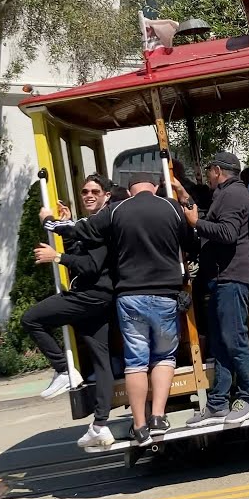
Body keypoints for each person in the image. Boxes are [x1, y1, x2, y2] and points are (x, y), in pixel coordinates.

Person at [45, 172, 195, 448]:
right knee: (163, 356)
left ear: (129, 190)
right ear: (156, 187)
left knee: (136, 361)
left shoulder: (116, 211)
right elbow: (190, 244)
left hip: (130, 295)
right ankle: (159, 416)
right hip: (165, 294)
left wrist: (50, 221)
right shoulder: (170, 207)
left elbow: (79, 229)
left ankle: (139, 424)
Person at [25, 175, 117, 450]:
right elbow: (81, 249)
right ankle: (100, 425)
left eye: (95, 191)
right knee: (101, 361)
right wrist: (67, 227)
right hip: (97, 298)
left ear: (107, 196)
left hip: (89, 296)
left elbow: (89, 267)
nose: (89, 195)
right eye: (85, 191)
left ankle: (65, 370)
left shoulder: (102, 223)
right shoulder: (92, 223)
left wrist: (56, 256)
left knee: (31, 319)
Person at [177, 151, 249, 426]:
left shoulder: (233, 194)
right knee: (221, 342)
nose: (207, 176)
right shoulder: (226, 194)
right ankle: (217, 404)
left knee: (234, 338)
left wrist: (195, 223)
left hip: (233, 276)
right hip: (223, 277)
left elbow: (226, 233)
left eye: (209, 170)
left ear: (217, 170)